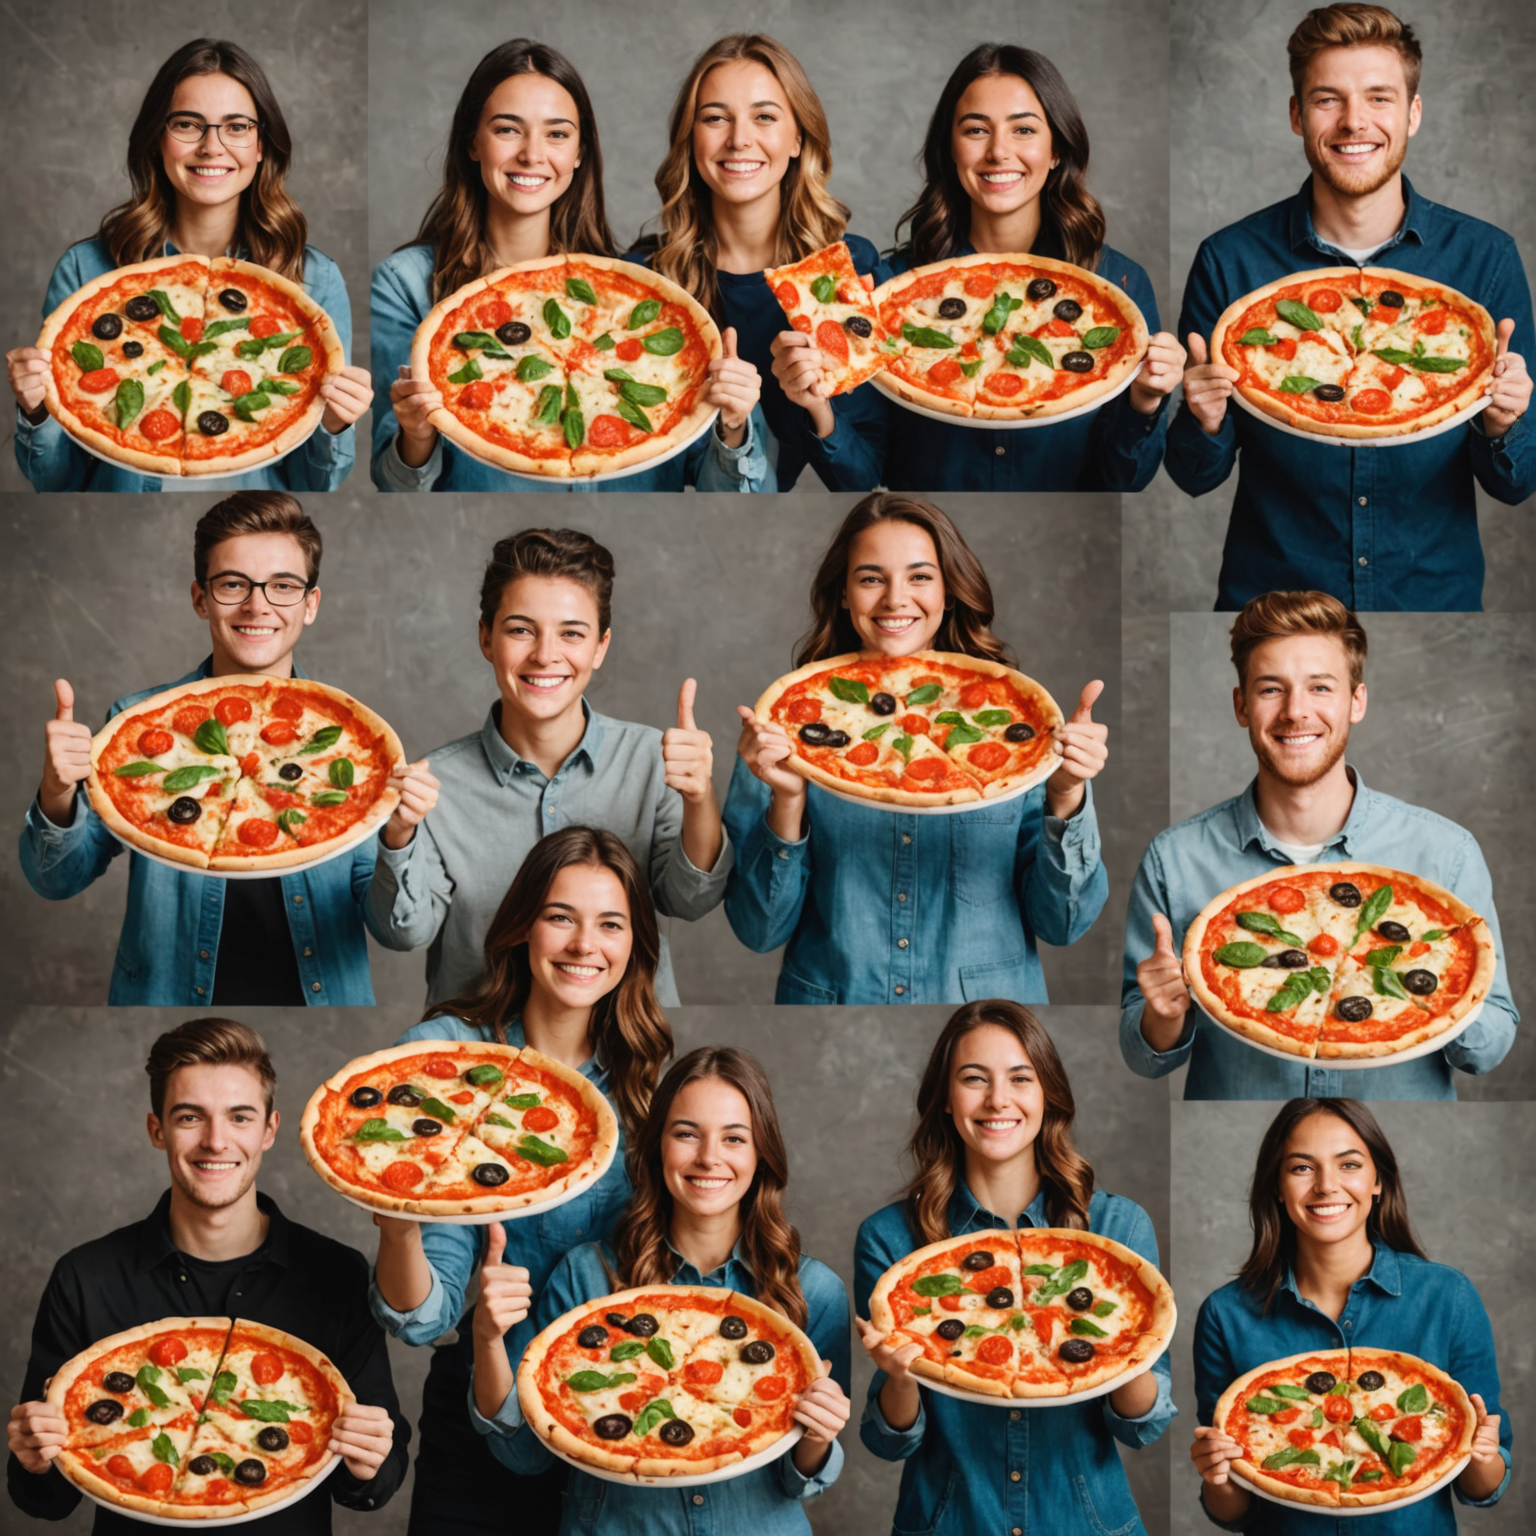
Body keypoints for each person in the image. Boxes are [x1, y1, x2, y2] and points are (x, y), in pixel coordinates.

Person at [1165, 3, 1534, 610]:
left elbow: (1517, 485)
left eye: (1379, 98)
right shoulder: (1229, 261)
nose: (1354, 122)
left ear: (1413, 113)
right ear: (1296, 115)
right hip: (1270, 600)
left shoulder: (1485, 258)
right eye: (1327, 99)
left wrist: (1504, 423)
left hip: (1428, 599)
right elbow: (1191, 475)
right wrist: (1203, 421)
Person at [370, 826, 672, 1535]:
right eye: (560, 917)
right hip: (478, 1407)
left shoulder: (651, 1089)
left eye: (610, 924)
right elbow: (420, 1317)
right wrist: (398, 1220)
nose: (583, 946)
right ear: (521, 928)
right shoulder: (439, 1057)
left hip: (613, 1403)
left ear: (635, 946)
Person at [5, 1018, 407, 1533]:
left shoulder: (337, 1272)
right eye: (190, 1117)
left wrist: (370, 1459)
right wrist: (33, 1459)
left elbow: (382, 1477)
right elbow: (45, 1501)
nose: (216, 1141)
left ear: (269, 1130)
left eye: (239, 1118)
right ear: (158, 1130)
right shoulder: (86, 1276)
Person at [1120, 589, 1517, 1098]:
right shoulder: (1175, 860)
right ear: (1241, 705)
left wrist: (1443, 993)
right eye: (1270, 689)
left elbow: (1490, 1047)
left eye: (1320, 688)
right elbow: (1143, 1056)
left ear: (1357, 702)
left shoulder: (1444, 851)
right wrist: (1161, 1013)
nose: (1295, 712)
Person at [724, 493, 1108, 1003]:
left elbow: (1063, 924)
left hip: (982, 1010)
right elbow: (758, 930)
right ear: (843, 593)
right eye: (870, 578)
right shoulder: (785, 729)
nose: (895, 599)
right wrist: (789, 803)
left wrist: (1066, 795)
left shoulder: (1022, 723)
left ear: (949, 592)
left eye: (920, 576)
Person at [18, 492, 387, 1005]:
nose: (258, 605)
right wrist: (57, 791)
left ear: (310, 605)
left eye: (282, 586)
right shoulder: (136, 721)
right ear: (200, 598)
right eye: (234, 584)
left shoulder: (353, 744)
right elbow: (56, 880)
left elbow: (397, 929)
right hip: (167, 1001)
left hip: (320, 1005)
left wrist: (403, 837)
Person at [471, 1046, 851, 1533]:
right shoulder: (587, 1275)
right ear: (657, 1147)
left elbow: (799, 1480)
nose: (709, 1157)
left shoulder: (813, 1290)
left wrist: (819, 1434)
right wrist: (486, 1339)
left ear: (762, 1154)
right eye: (687, 1134)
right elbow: (525, 1454)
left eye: (735, 1138)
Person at [772, 43, 1184, 492]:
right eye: (976, 130)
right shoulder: (891, 289)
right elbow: (858, 478)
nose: (998, 152)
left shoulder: (1115, 288)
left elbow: (1124, 481)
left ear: (1057, 150)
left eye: (1024, 130)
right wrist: (818, 406)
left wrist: (1144, 401)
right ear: (950, 147)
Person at [372, 38, 768, 493]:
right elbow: (394, 486)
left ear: (579, 153)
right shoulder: (405, 284)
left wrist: (735, 424)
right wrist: (416, 436)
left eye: (557, 134)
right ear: (472, 144)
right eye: (507, 129)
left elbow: (743, 492)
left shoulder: (652, 293)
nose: (533, 154)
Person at [365, 526, 730, 1008]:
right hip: (476, 1057)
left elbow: (691, 900)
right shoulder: (434, 784)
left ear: (599, 647)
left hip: (623, 1049)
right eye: (520, 629)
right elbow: (404, 934)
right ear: (485, 638)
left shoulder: (653, 758)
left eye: (572, 634)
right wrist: (398, 836)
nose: (545, 654)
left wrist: (700, 798)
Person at [855, 1001, 1173, 1535]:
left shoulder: (1118, 1229)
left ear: (1047, 1096)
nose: (997, 1099)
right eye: (974, 1079)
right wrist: (900, 1377)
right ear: (945, 1102)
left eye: (1020, 1078)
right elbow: (889, 1440)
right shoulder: (891, 1241)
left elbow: (1146, 1426)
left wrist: (1123, 1343)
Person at [7, 37, 370, 493]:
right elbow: (56, 483)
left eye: (236, 127)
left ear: (262, 145)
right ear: (157, 139)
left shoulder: (313, 281)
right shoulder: (86, 271)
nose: (211, 147)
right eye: (187, 125)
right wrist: (37, 408)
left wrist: (334, 421)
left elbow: (315, 486)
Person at [1191, 1098, 1509, 1532]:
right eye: (1302, 1168)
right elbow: (1234, 1509)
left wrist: (1483, 1453)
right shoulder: (1225, 1314)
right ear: (1276, 1188)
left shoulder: (1447, 1297)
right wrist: (1215, 1473)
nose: (1326, 1186)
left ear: (1378, 1180)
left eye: (1349, 1165)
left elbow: (1482, 1488)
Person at [629, 32, 878, 489]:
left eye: (764, 117)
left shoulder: (845, 267)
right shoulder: (647, 279)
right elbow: (651, 471)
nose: (739, 139)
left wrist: (817, 402)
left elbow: (860, 479)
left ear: (798, 139)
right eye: (715, 118)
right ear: (691, 140)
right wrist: (732, 427)